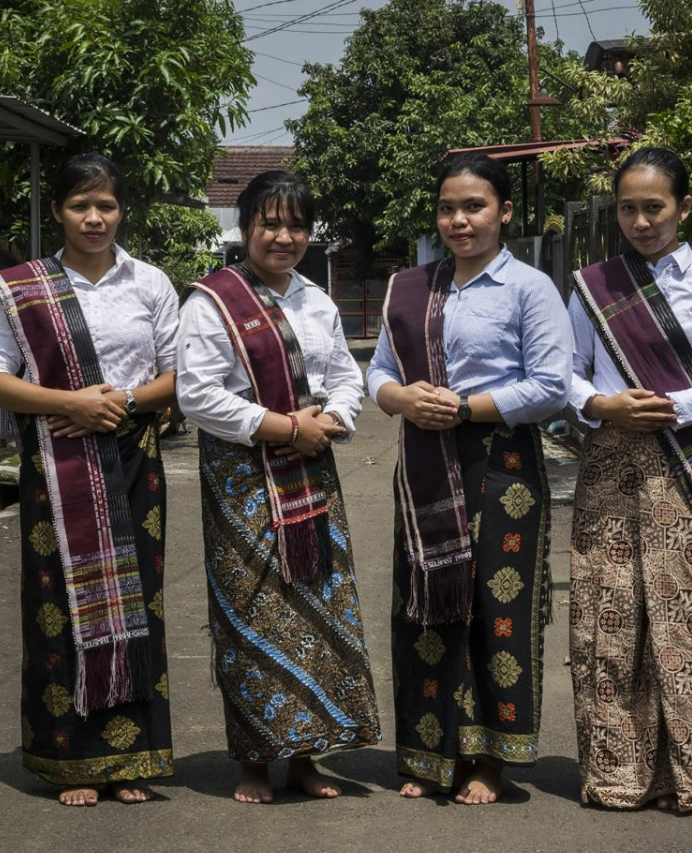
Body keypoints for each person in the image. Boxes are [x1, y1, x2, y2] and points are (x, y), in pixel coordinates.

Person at [567, 146, 692, 812]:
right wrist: (602, 404)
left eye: (654, 207)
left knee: (682, 626)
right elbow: (566, 374)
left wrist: (682, 404)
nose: (641, 221)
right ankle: (618, 775)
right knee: (608, 622)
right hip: (609, 466)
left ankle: (685, 778)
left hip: (686, 466)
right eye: (628, 208)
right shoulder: (594, 287)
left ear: (683, 206)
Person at [367, 153, 572, 805]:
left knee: (493, 609)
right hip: (425, 460)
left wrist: (462, 406)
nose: (459, 220)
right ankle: (428, 751)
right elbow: (377, 372)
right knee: (425, 604)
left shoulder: (529, 289)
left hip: (501, 462)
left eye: (474, 206)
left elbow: (551, 386)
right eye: (448, 207)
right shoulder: (411, 287)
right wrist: (401, 400)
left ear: (503, 212)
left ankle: (487, 757)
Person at [0, 153, 179, 807]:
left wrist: (122, 402)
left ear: (122, 210)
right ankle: (72, 761)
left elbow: (181, 371)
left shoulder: (150, 283)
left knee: (136, 604)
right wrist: (71, 404)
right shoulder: (24, 288)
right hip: (57, 468)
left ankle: (130, 757)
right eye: (80, 205)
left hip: (134, 460)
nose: (95, 218)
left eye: (107, 205)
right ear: (58, 211)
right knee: (60, 606)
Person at [175, 170, 380, 805]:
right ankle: (256, 761)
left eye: (295, 224)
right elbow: (197, 393)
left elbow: (346, 373)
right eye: (270, 223)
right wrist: (282, 425)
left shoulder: (316, 299)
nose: (283, 236)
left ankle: (306, 758)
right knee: (252, 612)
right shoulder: (212, 301)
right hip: (242, 478)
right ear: (245, 229)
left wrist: (333, 419)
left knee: (315, 610)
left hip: (312, 469)